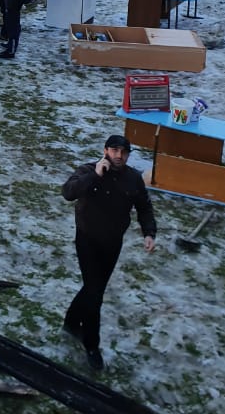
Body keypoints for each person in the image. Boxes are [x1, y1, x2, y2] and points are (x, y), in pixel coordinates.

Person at [61, 134, 156, 371]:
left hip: (113, 243)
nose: (118, 156)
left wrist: (149, 232)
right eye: (114, 151)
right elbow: (68, 192)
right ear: (105, 151)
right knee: (95, 294)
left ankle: (72, 321)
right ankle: (91, 345)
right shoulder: (87, 171)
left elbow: (144, 206)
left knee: (94, 288)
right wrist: (96, 175)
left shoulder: (133, 178)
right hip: (87, 240)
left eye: (123, 152)